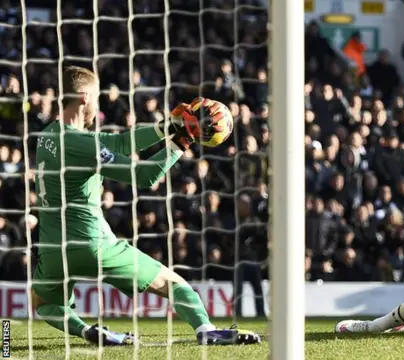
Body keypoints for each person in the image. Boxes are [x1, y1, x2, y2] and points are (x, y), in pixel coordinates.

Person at [31, 66, 260, 346]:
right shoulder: (82, 144)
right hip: (94, 245)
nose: (98, 102)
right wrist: (182, 140)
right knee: (176, 285)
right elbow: (145, 176)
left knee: (43, 303)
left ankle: (88, 331)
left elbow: (121, 142)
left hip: (54, 250)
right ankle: (205, 329)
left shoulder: (47, 136)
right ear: (83, 98)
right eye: (96, 96)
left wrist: (167, 126)